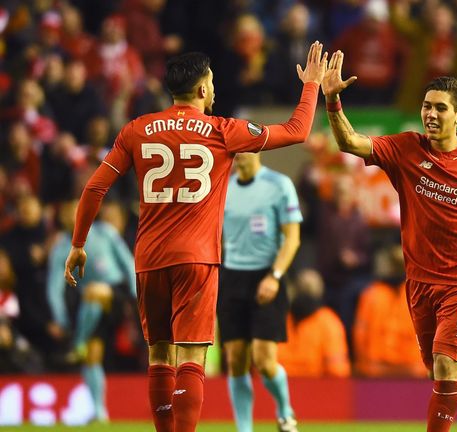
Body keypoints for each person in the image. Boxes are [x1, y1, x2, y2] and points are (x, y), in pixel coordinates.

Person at [64, 42, 327, 432]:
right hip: (197, 258)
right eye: (213, 81)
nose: (215, 88)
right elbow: (296, 131)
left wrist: (78, 244)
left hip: (149, 259)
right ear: (203, 88)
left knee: (159, 357)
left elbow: (94, 189)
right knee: (190, 358)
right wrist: (311, 86)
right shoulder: (222, 131)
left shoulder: (136, 130)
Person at [321, 51, 457, 432]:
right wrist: (331, 100)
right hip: (421, 280)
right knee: (439, 370)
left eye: (440, 108)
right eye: (426, 106)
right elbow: (350, 143)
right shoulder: (406, 148)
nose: (430, 114)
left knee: (444, 364)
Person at [219, 152, 302, 432]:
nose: (238, 154)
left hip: (267, 274)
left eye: (244, 147)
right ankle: (244, 429)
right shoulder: (222, 187)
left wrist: (275, 276)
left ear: (257, 149)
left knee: (264, 360)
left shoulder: (279, 185)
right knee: (235, 359)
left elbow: (293, 237)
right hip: (231, 276)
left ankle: (284, 409)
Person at [48, 199, 137, 423]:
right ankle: (99, 412)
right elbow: (54, 289)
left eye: (76, 210)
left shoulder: (105, 232)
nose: (71, 216)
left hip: (119, 294)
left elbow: (128, 263)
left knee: (95, 291)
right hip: (91, 308)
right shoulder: (61, 248)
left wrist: (139, 299)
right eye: (67, 213)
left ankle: (78, 342)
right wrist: (60, 318)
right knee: (92, 356)